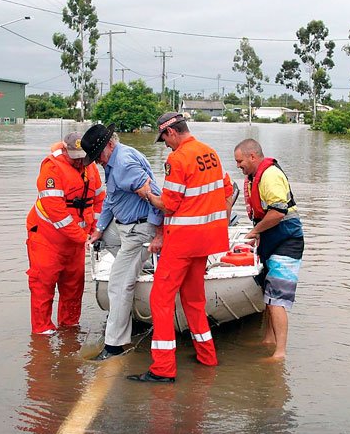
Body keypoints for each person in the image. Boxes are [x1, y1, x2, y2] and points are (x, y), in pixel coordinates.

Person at [127, 112, 235, 383]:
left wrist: (149, 195)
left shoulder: (177, 159)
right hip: (207, 241)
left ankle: (163, 369)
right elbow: (227, 191)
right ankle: (207, 356)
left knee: (160, 300)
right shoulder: (211, 153)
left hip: (182, 242)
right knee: (194, 300)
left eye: (164, 138)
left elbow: (170, 204)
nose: (165, 144)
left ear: (172, 132)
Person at [80, 123, 164, 361]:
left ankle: (115, 345)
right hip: (124, 227)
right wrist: (98, 230)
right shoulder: (114, 161)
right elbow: (110, 199)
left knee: (117, 285)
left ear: (109, 144)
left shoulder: (124, 163)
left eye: (98, 156)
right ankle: (140, 266)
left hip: (140, 229)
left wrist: (158, 234)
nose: (97, 162)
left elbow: (155, 196)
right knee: (105, 237)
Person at [25, 132, 105, 335]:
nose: (79, 162)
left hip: (77, 240)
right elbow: (57, 213)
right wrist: (84, 237)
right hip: (47, 237)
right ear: (65, 149)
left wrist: (96, 228)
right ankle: (42, 333)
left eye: (82, 157)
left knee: (74, 286)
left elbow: (99, 200)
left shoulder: (90, 167)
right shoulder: (51, 168)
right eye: (75, 157)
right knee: (43, 285)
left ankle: (69, 329)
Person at [233, 138, 304, 360]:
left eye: (240, 161)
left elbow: (278, 212)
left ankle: (280, 353)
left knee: (277, 298)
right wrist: (260, 234)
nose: (238, 166)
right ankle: (268, 339)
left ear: (253, 156)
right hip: (273, 239)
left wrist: (255, 232)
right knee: (268, 295)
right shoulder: (255, 177)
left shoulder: (270, 175)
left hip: (288, 240)